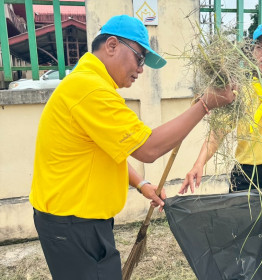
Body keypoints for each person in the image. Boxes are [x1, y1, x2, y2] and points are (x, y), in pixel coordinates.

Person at [29, 15, 235, 280]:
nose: (141, 69)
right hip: (74, 224)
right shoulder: (90, 90)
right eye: (139, 58)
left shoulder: (88, 84)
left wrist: (141, 184)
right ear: (112, 45)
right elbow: (148, 148)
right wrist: (205, 105)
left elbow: (103, 151)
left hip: (77, 221)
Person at [180, 20, 262, 280]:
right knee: (243, 246)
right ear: (251, 54)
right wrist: (198, 164)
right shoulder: (239, 92)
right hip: (245, 178)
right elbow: (217, 132)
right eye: (259, 47)